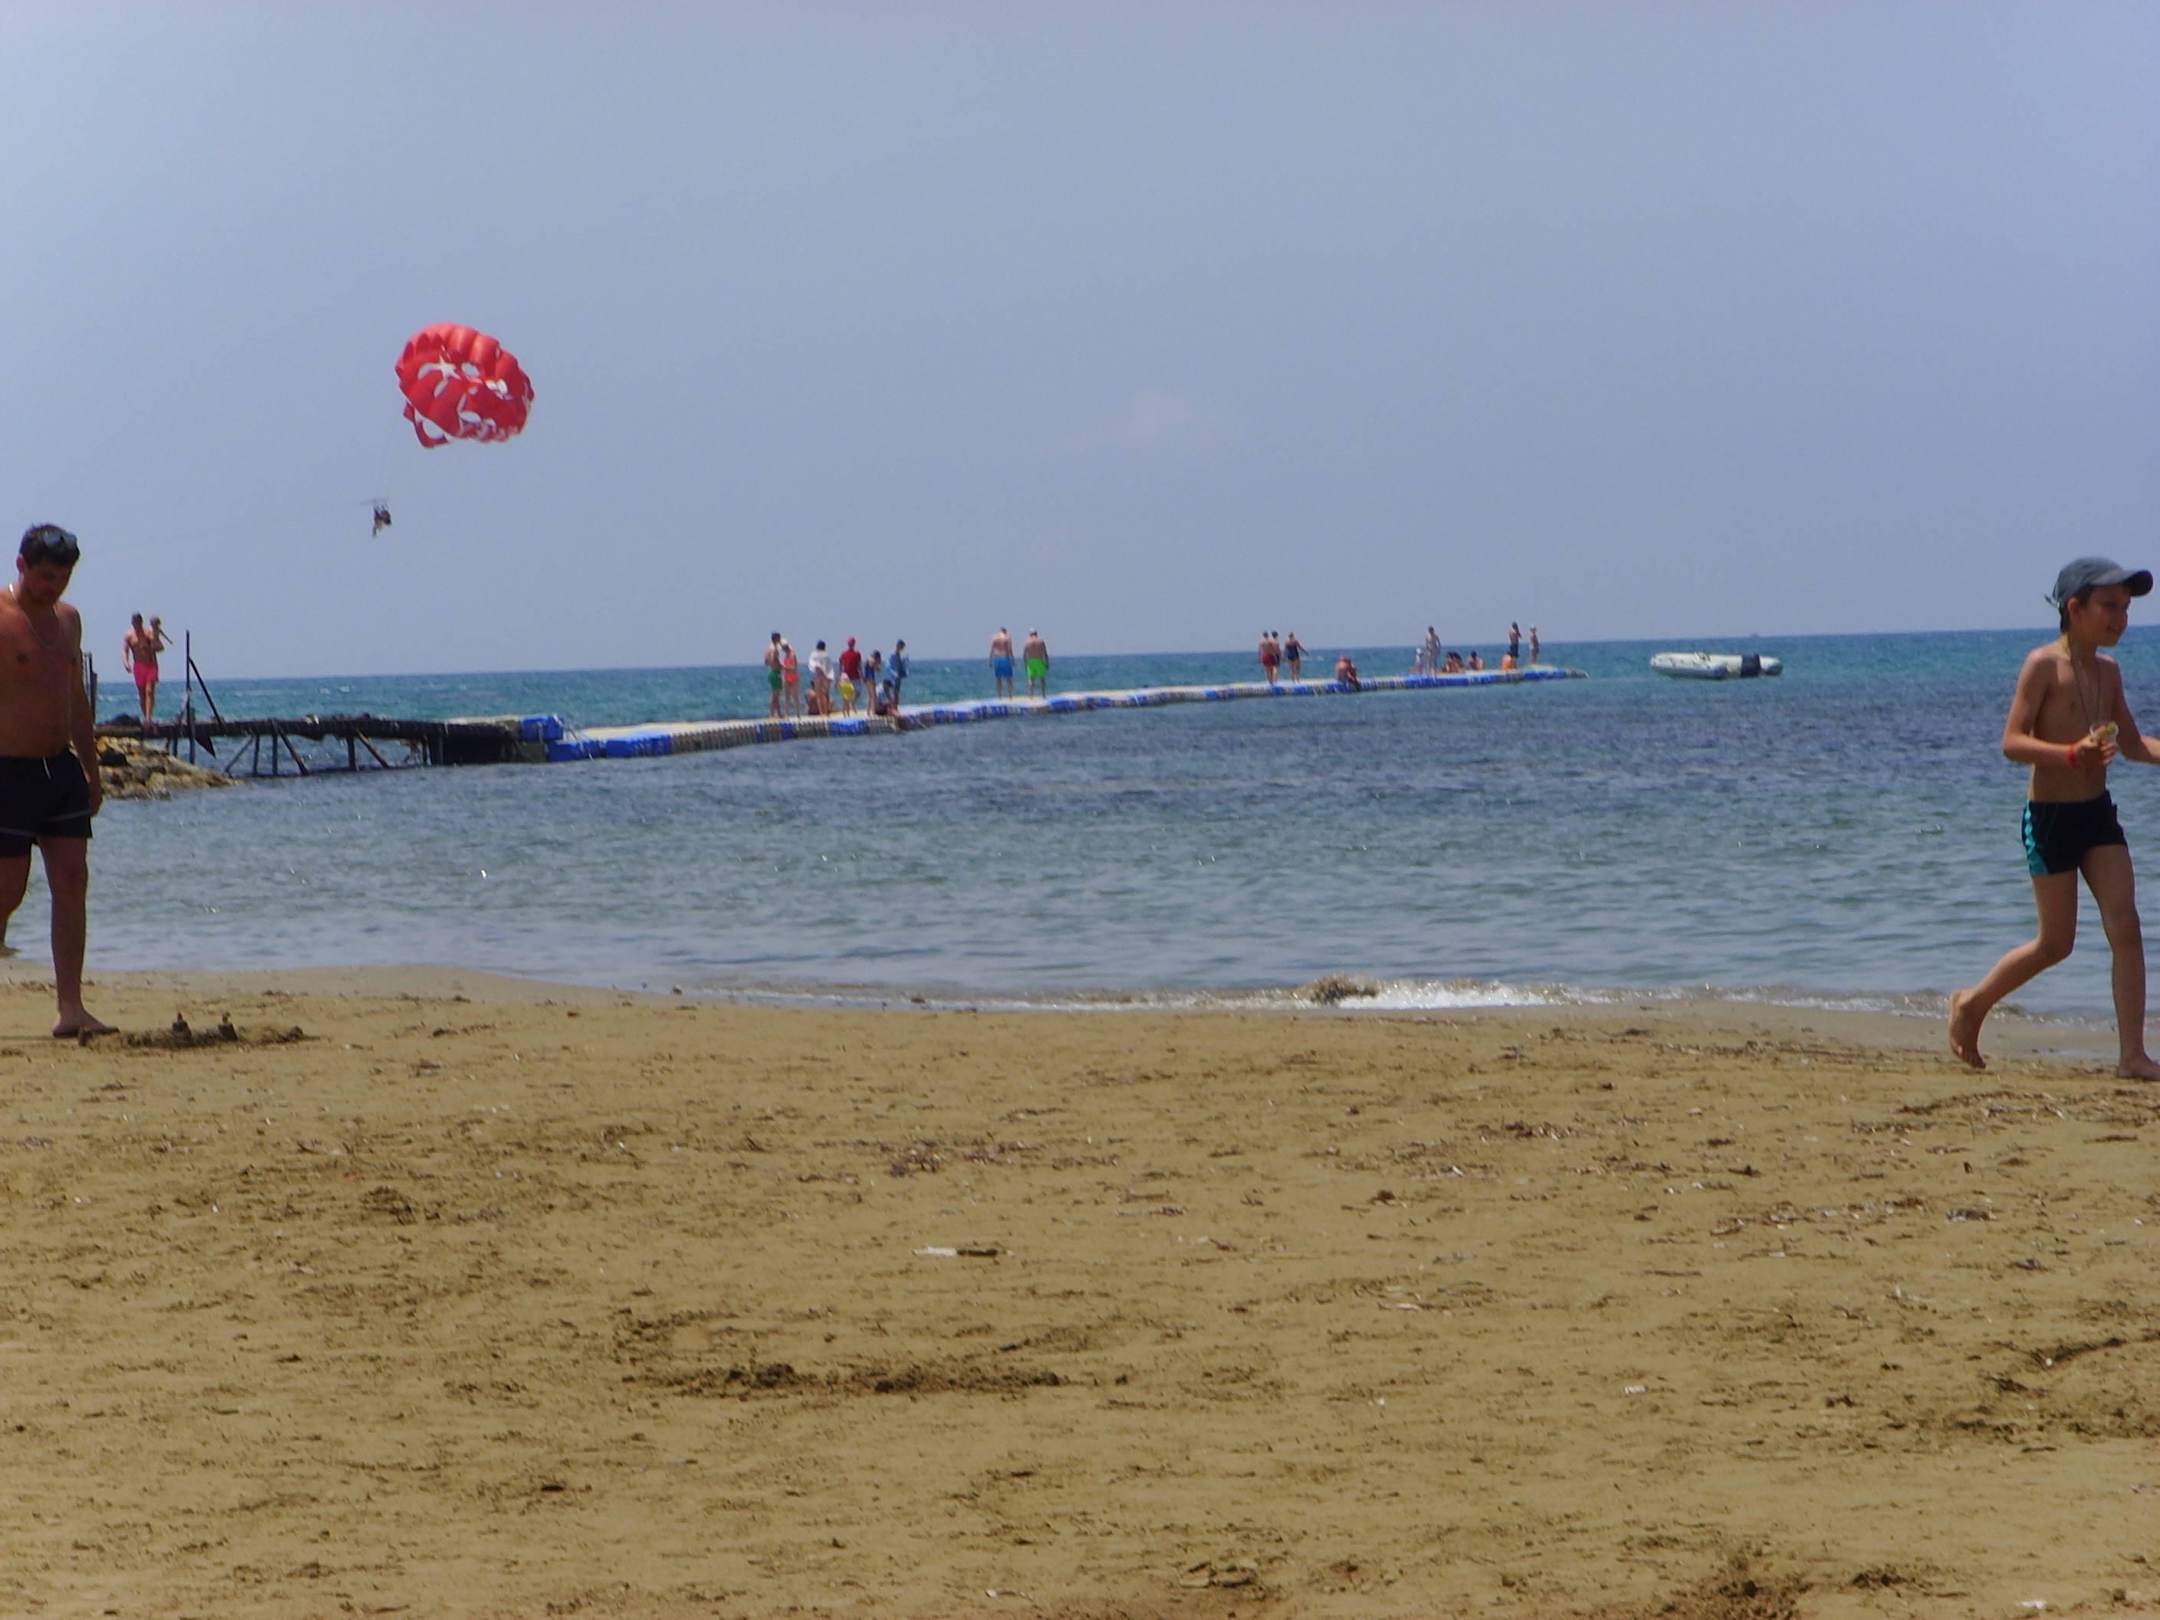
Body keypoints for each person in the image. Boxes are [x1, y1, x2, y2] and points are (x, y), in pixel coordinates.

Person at [1950, 559, 2160, 1079]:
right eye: (2109, 607)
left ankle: (2132, 1056)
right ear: (2075, 608)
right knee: (2055, 944)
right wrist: (2070, 754)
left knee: (2126, 926)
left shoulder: (2109, 672)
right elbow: (2011, 742)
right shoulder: (2042, 665)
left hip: (2097, 817)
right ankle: (1972, 1004)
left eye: (2126, 609)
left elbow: (2133, 745)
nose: (2121, 618)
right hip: (2049, 820)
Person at [0, 525, 110, 1036]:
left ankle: (71, 1008)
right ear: (21, 565)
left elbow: (75, 698)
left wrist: (91, 767)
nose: (54, 587)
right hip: (7, 770)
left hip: (60, 769)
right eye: (45, 577)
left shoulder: (69, 620)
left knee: (72, 881)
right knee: (7, 892)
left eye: (62, 578)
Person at [121, 611, 170, 730]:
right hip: (138, 666)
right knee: (142, 693)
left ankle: (148, 718)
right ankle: (146, 718)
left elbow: (160, 647)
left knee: (149, 691)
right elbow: (125, 650)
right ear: (132, 623)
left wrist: (155, 638)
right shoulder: (129, 635)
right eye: (135, 622)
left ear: (141, 622)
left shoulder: (148, 633)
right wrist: (126, 663)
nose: (136, 625)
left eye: (138, 622)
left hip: (151, 665)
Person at [808, 640, 833, 716]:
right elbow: (829, 668)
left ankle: (821, 713)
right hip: (825, 676)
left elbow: (812, 665)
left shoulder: (814, 655)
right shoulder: (826, 655)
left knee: (819, 696)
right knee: (825, 694)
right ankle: (826, 711)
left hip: (818, 676)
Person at [990, 627, 1015, 698]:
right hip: (1005, 657)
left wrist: (990, 661)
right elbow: (1010, 649)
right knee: (1009, 678)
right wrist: (1013, 659)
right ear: (1005, 631)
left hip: (997, 658)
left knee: (998, 678)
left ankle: (999, 696)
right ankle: (1010, 695)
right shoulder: (1007, 637)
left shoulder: (995, 638)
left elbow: (992, 650)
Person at [1022, 630, 1049, 698]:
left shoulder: (1027, 642)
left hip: (1030, 661)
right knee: (1042, 678)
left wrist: (1025, 664)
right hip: (1039, 660)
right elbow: (1045, 653)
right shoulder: (1041, 641)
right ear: (1036, 634)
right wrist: (1047, 663)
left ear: (1030, 634)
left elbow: (1024, 654)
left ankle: (1031, 695)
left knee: (1031, 679)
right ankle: (1043, 695)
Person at [763, 632, 784, 718]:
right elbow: (772, 660)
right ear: (776, 639)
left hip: (772, 672)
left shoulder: (768, 648)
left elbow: (766, 662)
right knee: (776, 695)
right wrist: (780, 666)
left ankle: (775, 713)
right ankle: (774, 713)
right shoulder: (774, 649)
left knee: (775, 695)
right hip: (775, 672)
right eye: (779, 638)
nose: (780, 640)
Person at [780, 640, 802, 717]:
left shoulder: (793, 655)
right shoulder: (786, 656)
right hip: (787, 677)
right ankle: (787, 714)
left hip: (794, 677)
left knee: (795, 696)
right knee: (786, 696)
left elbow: (794, 667)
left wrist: (785, 668)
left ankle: (798, 713)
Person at [888, 639, 910, 712]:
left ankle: (895, 707)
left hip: (898, 676)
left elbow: (900, 665)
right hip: (893, 676)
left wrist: (905, 661)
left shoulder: (899, 655)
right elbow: (888, 666)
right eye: (902, 647)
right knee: (893, 692)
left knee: (897, 692)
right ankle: (893, 707)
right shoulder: (892, 654)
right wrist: (893, 673)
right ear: (898, 646)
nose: (902, 649)